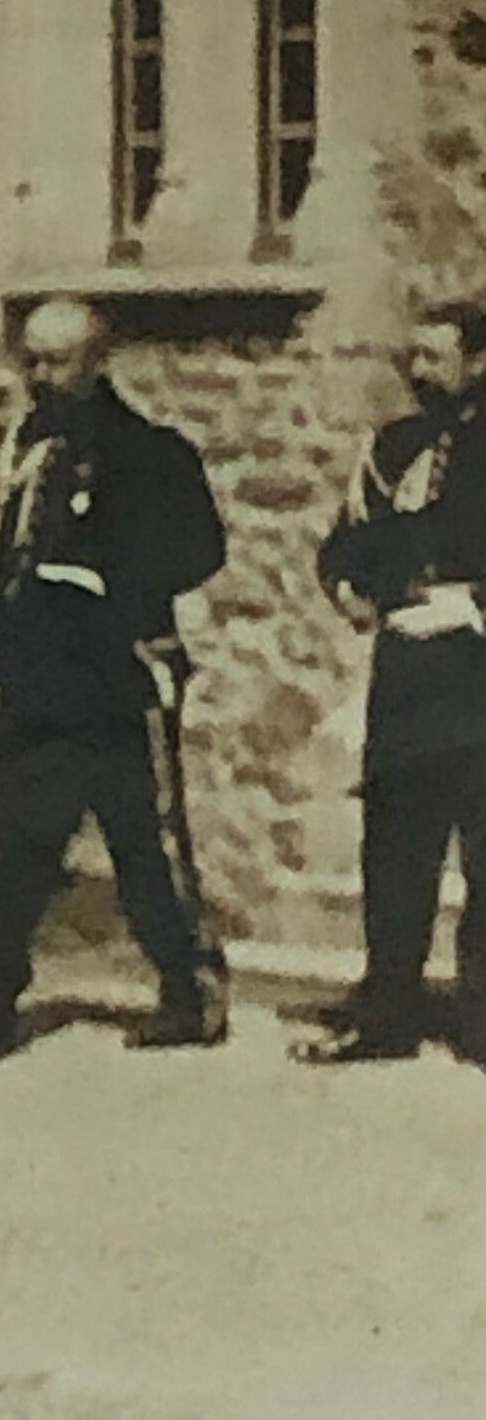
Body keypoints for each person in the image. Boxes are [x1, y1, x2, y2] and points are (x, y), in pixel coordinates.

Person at [0, 295, 229, 1056]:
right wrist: (0, 665)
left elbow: (197, 551)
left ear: (96, 362)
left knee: (145, 847)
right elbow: (12, 565)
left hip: (116, 681)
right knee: (11, 842)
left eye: (58, 362)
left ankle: (192, 993)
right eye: (32, 362)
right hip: (43, 681)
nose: (40, 377)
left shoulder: (148, 451)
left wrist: (111, 581)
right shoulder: (32, 448)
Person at [297, 315, 486, 1064]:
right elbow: (350, 535)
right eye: (412, 353)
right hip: (409, 677)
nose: (418, 369)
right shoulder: (396, 447)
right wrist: (346, 585)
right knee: (398, 850)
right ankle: (389, 1009)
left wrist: (473, 607)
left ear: (478, 360)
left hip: (479, 673)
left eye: (435, 356)